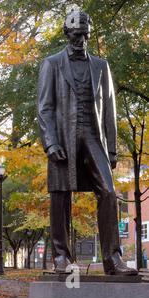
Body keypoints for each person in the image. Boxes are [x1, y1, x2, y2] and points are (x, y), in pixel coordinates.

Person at [37, 10, 137, 275]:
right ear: (67, 33)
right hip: (63, 137)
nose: (80, 39)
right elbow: (44, 107)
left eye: (84, 35)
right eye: (76, 34)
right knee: (60, 194)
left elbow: (110, 111)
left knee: (107, 191)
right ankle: (62, 257)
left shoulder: (101, 66)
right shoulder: (52, 64)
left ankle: (112, 260)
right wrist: (50, 143)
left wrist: (112, 149)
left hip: (94, 136)